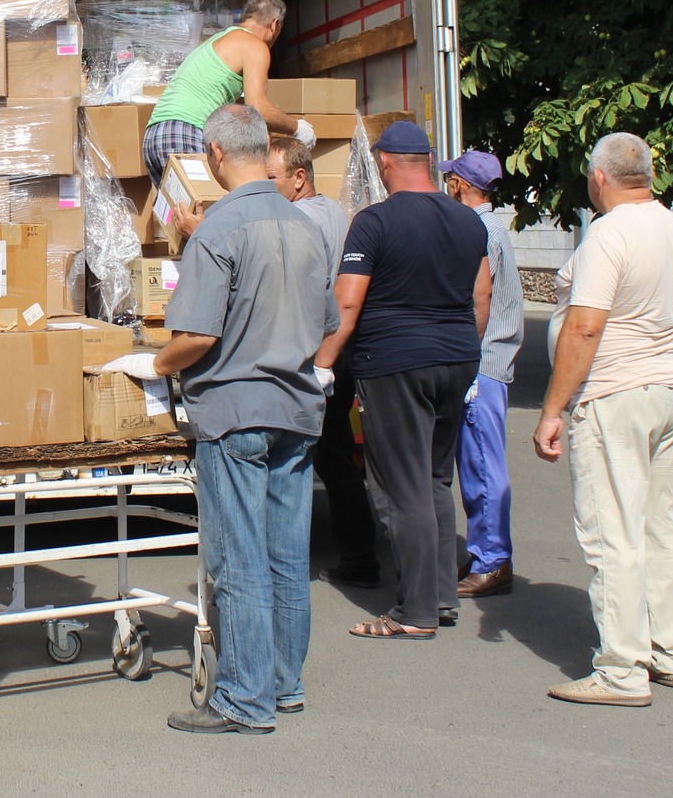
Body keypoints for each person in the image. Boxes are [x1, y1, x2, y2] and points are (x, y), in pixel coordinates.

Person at [103, 105, 331, 733]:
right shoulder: (307, 225)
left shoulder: (219, 230)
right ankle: (284, 685)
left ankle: (243, 697)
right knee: (287, 555)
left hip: (235, 411)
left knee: (239, 559)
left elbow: (197, 336)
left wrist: (156, 365)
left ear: (214, 155)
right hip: (297, 406)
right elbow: (328, 325)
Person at [533, 132, 673, 708]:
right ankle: (672, 651)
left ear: (599, 178)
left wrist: (553, 410)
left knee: (613, 531)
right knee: (666, 526)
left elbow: (585, 327)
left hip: (615, 392)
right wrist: (669, 373)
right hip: (671, 387)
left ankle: (621, 670)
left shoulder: (608, 235)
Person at [313, 122, 490, 640]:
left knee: (401, 486)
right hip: (458, 359)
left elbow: (347, 301)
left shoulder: (373, 222)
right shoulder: (468, 221)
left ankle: (415, 612)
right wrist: (463, 349)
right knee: (436, 479)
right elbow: (481, 297)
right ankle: (439, 595)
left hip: (394, 364)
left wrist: (324, 365)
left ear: (386, 162)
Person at [267, 136, 376, 587]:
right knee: (334, 454)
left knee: (294, 456)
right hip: (337, 350)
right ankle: (360, 554)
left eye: (269, 178)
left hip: (315, 353)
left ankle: (349, 559)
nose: (263, 187)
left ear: (298, 177)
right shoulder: (331, 209)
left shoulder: (296, 217)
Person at [439, 149, 523, 598]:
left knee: (482, 465)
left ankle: (493, 560)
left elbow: (480, 296)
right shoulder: (494, 225)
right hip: (492, 360)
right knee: (479, 461)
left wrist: (465, 356)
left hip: (482, 362)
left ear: (461, 185)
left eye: (451, 179)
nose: (448, 185)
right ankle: (486, 552)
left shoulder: (476, 228)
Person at [141, 0, 313, 187]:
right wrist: (297, 127)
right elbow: (258, 108)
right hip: (185, 131)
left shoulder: (219, 40)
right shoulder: (254, 45)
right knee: (205, 209)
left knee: (179, 213)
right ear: (274, 25)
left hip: (155, 135)